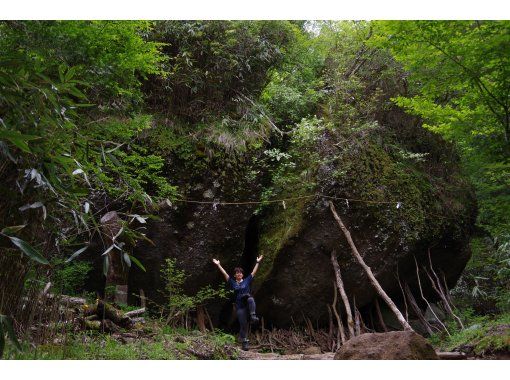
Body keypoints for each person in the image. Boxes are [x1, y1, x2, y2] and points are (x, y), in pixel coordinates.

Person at [212, 255, 264, 351]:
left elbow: (253, 272)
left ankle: (253, 316)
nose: (239, 274)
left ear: (242, 275)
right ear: (235, 275)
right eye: (237, 273)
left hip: (248, 304)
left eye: (240, 273)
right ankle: (244, 343)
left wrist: (257, 262)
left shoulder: (247, 281)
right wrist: (218, 265)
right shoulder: (233, 282)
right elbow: (225, 274)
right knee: (243, 324)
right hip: (240, 307)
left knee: (250, 299)